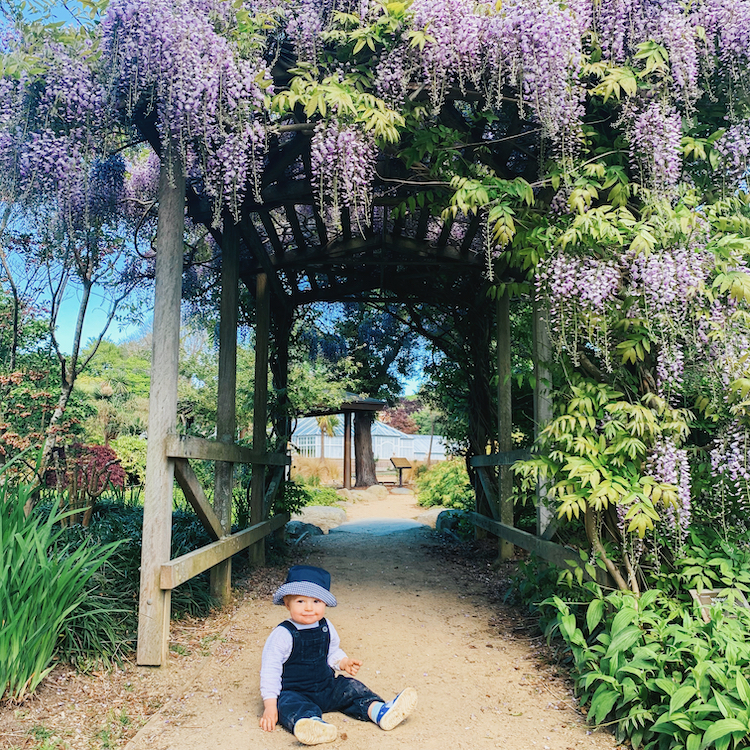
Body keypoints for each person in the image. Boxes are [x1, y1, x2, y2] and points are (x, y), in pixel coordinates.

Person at [259, 564, 417, 745]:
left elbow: (331, 651)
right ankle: (312, 724)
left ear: (324, 603)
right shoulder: (283, 634)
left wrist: (342, 661)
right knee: (287, 704)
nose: (309, 608)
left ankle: (379, 711)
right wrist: (270, 705)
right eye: (301, 601)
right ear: (287, 604)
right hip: (296, 691)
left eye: (316, 601)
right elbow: (270, 669)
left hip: (326, 687)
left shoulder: (326, 627)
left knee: (351, 688)